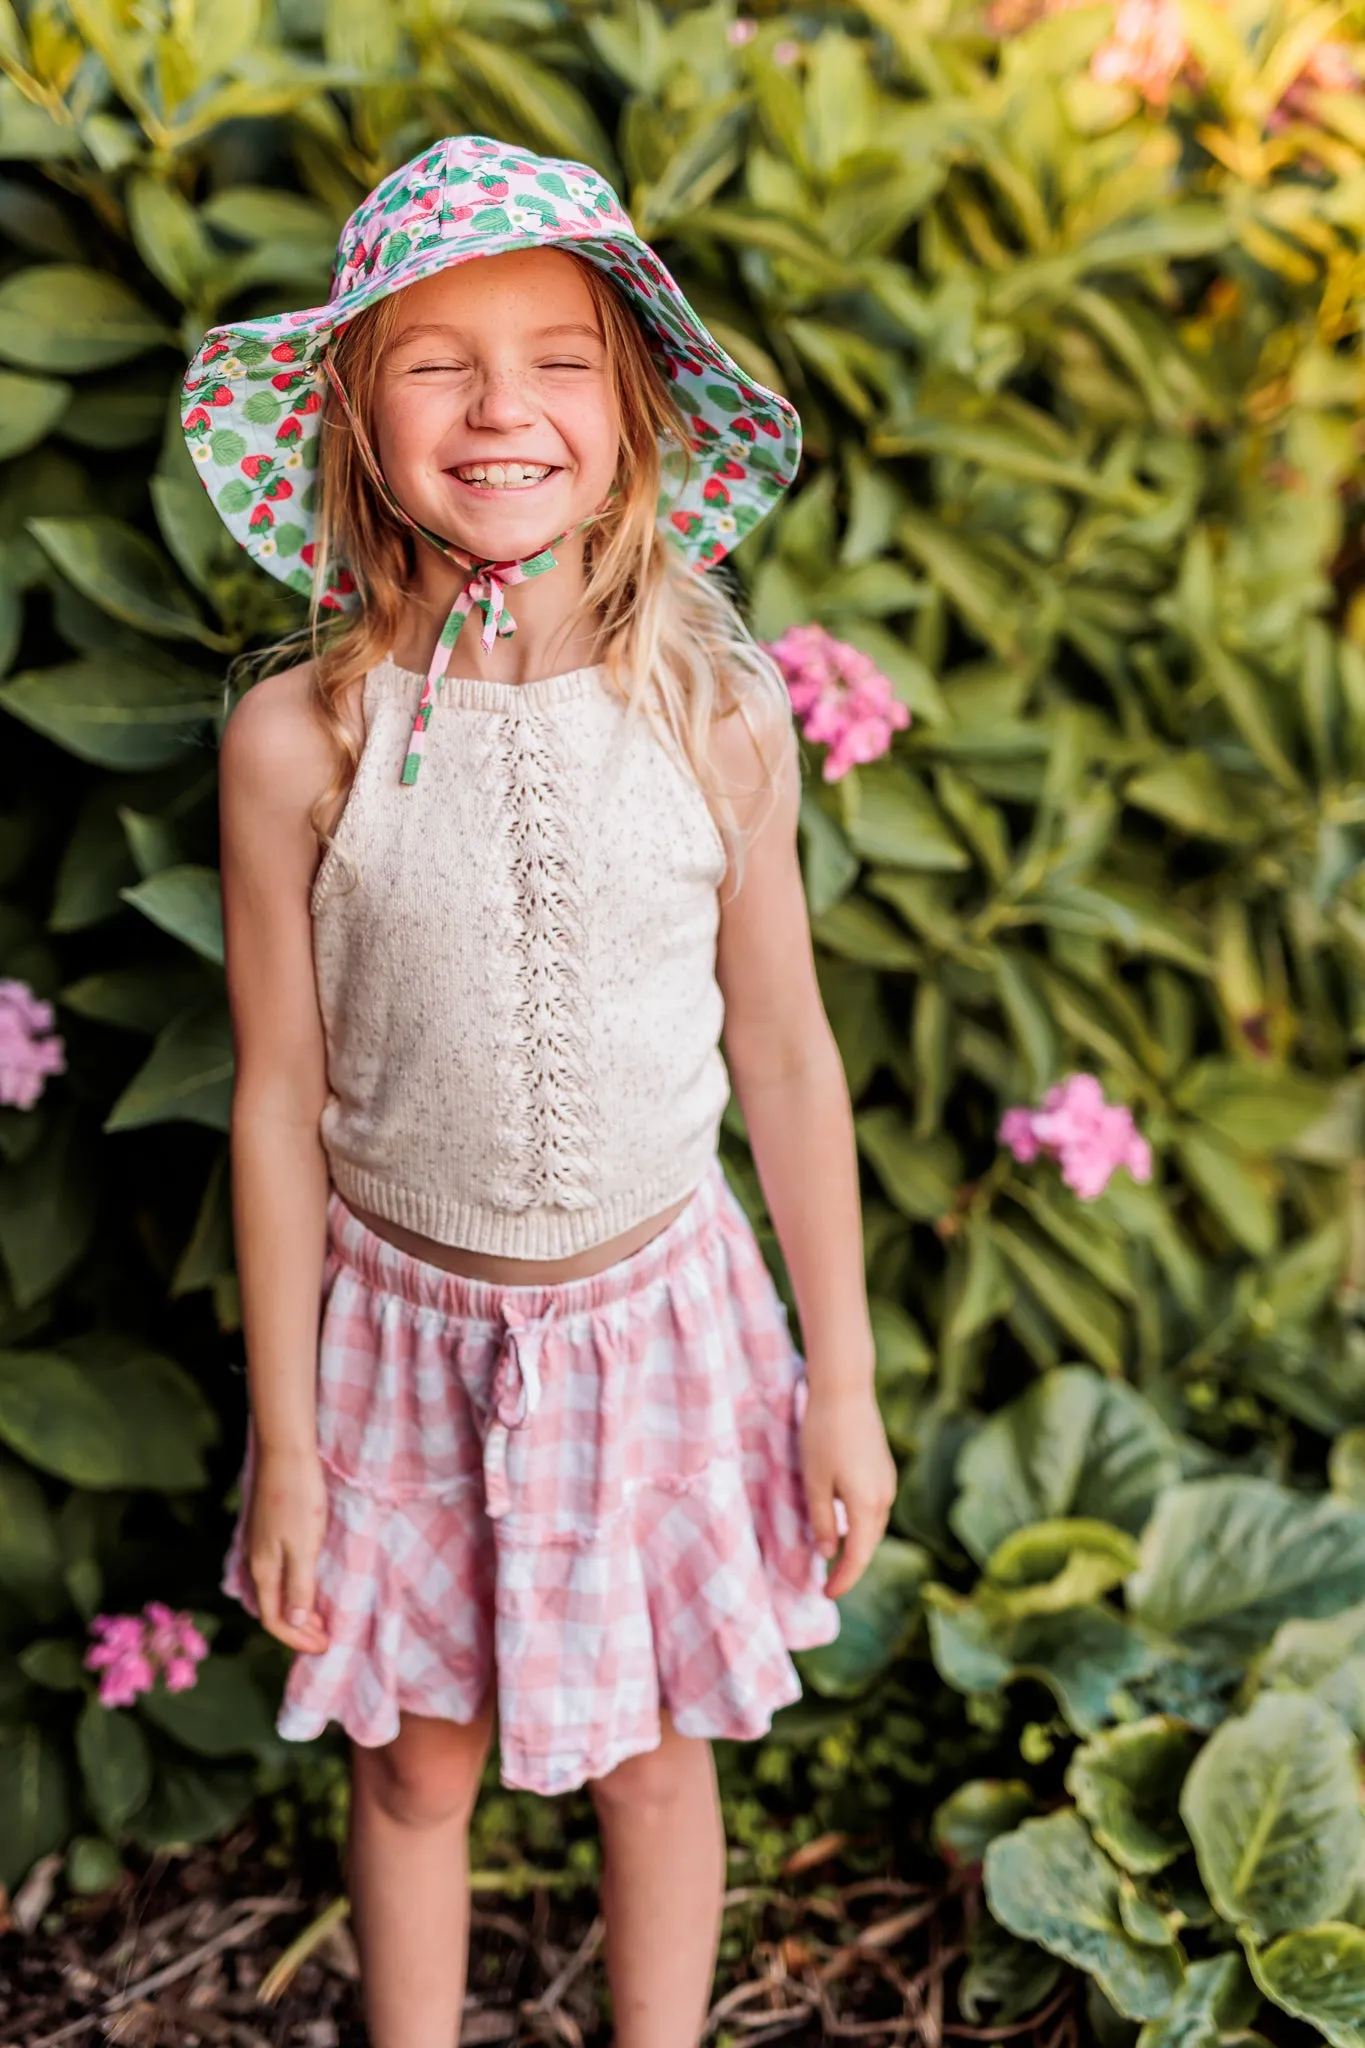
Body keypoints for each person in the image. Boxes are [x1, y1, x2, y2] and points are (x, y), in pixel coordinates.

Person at [183, 134, 896, 2048]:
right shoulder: (298, 736)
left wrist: (843, 1374)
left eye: (560, 355)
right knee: (417, 1769)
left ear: (638, 404)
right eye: (437, 361)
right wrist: (292, 1444)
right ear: (353, 411)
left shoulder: (716, 710)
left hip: (658, 1328)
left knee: (656, 1768)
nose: (504, 407)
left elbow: (788, 1052)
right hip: (403, 1347)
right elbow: (273, 1101)